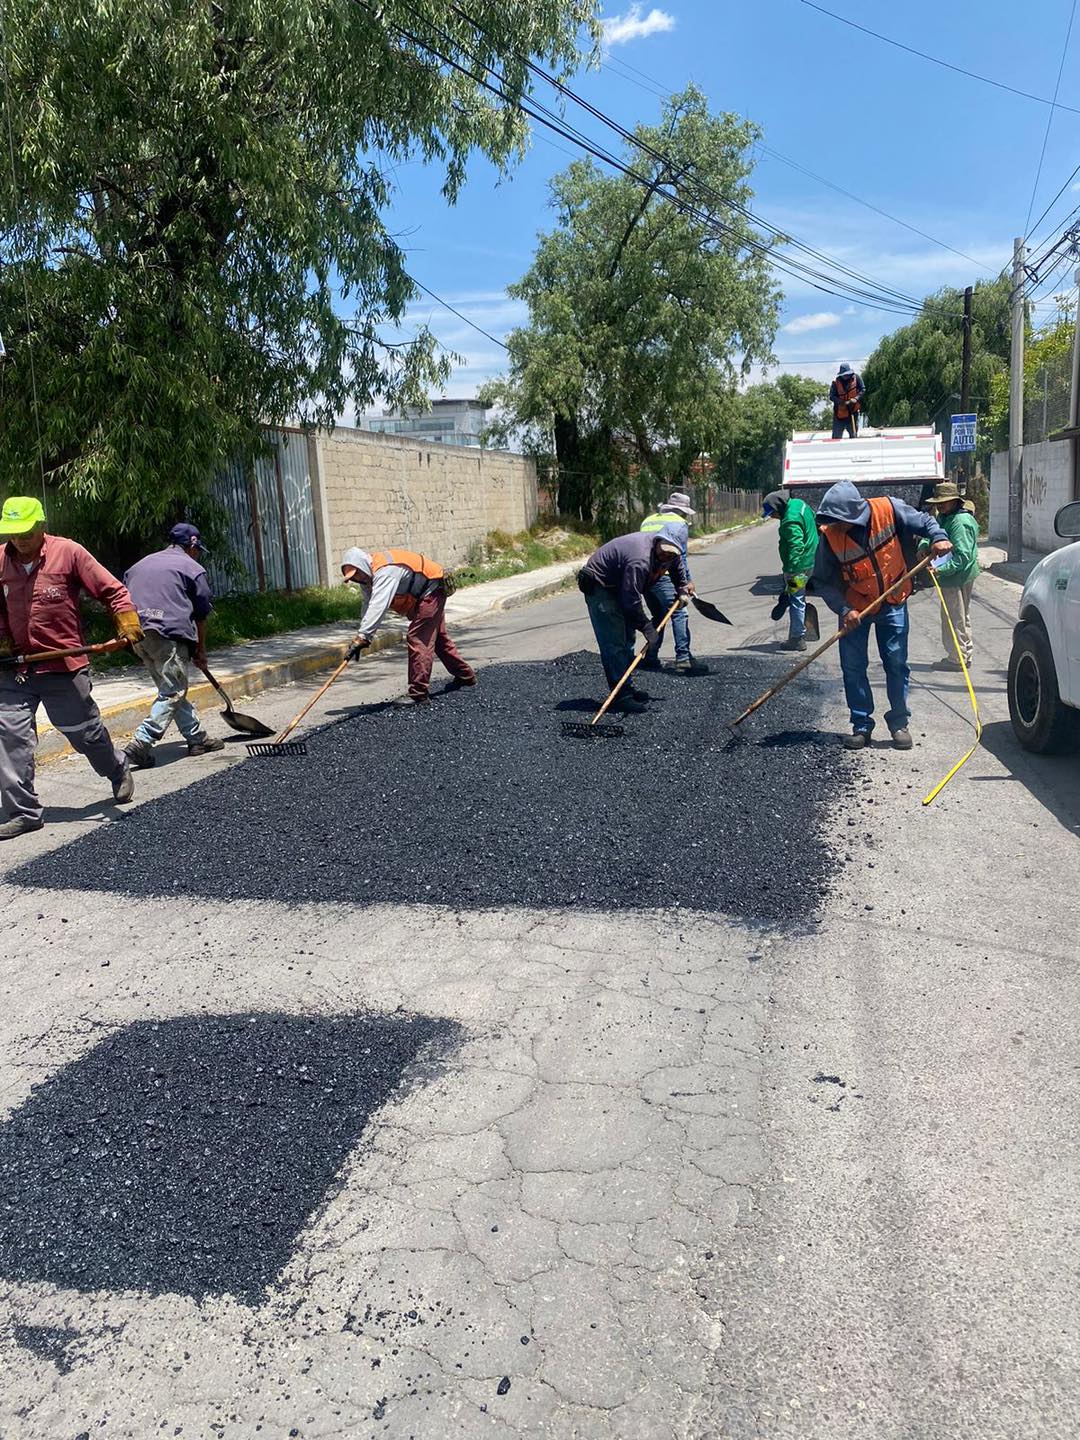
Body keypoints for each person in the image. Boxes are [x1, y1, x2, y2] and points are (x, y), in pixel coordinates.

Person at [0, 496, 143, 838]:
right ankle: (24, 812)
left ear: (42, 526)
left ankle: (117, 767)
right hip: (14, 668)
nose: (19, 540)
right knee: (8, 737)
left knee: (84, 732)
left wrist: (127, 624)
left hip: (62, 665)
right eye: (13, 533)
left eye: (27, 532)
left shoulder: (69, 553)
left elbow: (114, 592)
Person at [811, 480, 951, 751]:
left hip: (893, 601)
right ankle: (861, 726)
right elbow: (824, 581)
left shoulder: (889, 509)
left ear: (852, 514)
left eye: (838, 520)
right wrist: (844, 610)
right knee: (853, 667)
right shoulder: (829, 537)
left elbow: (923, 521)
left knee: (896, 664)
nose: (834, 525)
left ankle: (899, 724)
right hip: (855, 608)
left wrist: (939, 537)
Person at [123, 522, 224, 767]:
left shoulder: (138, 566)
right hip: (168, 635)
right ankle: (141, 742)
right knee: (173, 692)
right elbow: (200, 615)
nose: (198, 553)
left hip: (138, 635)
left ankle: (196, 739)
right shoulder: (192, 568)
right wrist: (201, 650)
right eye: (198, 549)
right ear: (191, 546)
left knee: (171, 690)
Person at [340, 546, 475, 707]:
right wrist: (360, 638)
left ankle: (418, 694)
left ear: (362, 565)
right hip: (425, 594)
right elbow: (368, 605)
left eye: (357, 574)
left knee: (418, 638)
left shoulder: (385, 572)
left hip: (432, 590)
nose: (358, 579)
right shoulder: (368, 578)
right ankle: (465, 676)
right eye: (353, 578)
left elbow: (378, 605)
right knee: (438, 639)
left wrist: (364, 636)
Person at [577, 532, 687, 713]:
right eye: (664, 552)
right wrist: (646, 626)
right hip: (600, 586)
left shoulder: (671, 555)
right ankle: (620, 697)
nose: (666, 556)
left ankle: (625, 686)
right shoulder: (640, 559)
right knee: (614, 642)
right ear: (658, 542)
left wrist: (682, 588)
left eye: (672, 554)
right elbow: (631, 600)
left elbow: (676, 568)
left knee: (628, 638)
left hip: (620, 584)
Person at [639, 491, 709, 675]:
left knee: (659, 616)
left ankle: (651, 658)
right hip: (664, 575)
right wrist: (687, 582)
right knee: (679, 613)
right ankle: (683, 658)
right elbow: (679, 557)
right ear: (681, 511)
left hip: (645, 576)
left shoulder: (649, 520)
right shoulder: (678, 524)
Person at [921, 480, 980, 671]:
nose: (939, 505)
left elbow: (962, 556)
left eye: (943, 502)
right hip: (959, 574)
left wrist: (940, 570)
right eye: (938, 502)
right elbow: (932, 534)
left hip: (956, 576)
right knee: (961, 617)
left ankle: (957, 658)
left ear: (955, 501)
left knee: (953, 618)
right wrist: (923, 545)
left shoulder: (959, 522)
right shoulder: (946, 516)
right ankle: (964, 653)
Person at [762, 489, 819, 652]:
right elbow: (814, 521)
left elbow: (796, 545)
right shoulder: (800, 505)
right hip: (811, 561)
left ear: (778, 508)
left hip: (799, 566)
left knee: (797, 600)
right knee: (795, 594)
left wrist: (793, 571)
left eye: (772, 514)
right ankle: (787, 593)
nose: (772, 517)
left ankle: (797, 638)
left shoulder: (789, 521)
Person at [829, 363, 865, 439]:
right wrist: (842, 402)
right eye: (844, 375)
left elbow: (862, 390)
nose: (846, 376)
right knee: (836, 436)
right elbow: (832, 396)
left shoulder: (857, 378)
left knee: (853, 434)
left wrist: (856, 398)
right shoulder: (836, 383)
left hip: (852, 412)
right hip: (839, 414)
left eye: (847, 374)